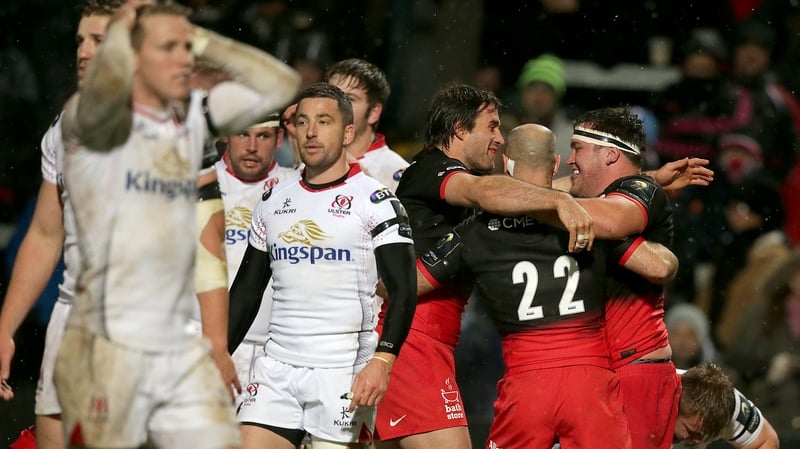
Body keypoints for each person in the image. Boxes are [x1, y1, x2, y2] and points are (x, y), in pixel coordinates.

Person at [55, 2, 301, 449]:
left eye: (187, 49)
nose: (184, 59)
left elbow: (279, 85)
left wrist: (215, 343)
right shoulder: (87, 117)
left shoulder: (190, 124)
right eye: (169, 49)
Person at [414, 123, 680, 449]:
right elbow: (660, 267)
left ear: (505, 163)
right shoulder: (584, 221)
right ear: (555, 164)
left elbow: (409, 284)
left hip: (526, 386)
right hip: (590, 386)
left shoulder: (475, 231)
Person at [375, 83, 598, 449]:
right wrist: (559, 202)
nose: (499, 139)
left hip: (427, 335)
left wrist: (644, 184)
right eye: (492, 127)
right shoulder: (435, 168)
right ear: (460, 129)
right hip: (414, 336)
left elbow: (530, 190)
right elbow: (485, 193)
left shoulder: (448, 178)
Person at [227, 83, 417, 449]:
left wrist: (383, 359)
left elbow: (404, 290)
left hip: (344, 371)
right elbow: (247, 292)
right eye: (303, 121)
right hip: (276, 368)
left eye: (324, 121)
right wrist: (216, 354)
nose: (311, 132)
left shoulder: (376, 202)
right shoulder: (272, 199)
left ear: (347, 132)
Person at [0, 3, 123, 449]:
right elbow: (46, 233)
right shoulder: (64, 128)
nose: (84, 52)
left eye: (99, 40)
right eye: (79, 41)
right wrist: (5, 329)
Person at [562, 107, 683, 449]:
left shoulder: (639, 189)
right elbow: (540, 190)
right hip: (603, 369)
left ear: (611, 153)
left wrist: (541, 202)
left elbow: (613, 221)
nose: (569, 159)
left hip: (633, 370)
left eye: (577, 148)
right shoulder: (597, 199)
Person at [200, 113, 299, 406]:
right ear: (225, 136)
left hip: (273, 355)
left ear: (279, 138)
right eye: (243, 134)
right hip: (202, 344)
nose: (252, 146)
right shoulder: (197, 183)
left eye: (264, 136)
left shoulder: (296, 187)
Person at [325, 58, 408, 192]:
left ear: (373, 113)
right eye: (331, 96)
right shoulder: (312, 159)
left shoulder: (397, 172)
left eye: (350, 99)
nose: (335, 106)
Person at [672, 363, 779, 449]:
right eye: (691, 431)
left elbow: (766, 440)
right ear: (675, 406)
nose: (698, 440)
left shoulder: (729, 406)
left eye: (705, 434)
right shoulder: (659, 388)